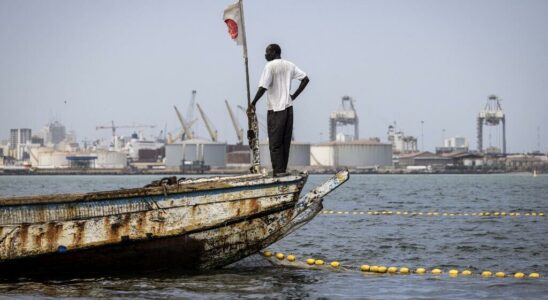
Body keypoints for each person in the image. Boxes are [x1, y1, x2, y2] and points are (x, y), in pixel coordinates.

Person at [248, 44, 310, 177]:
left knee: (275, 143)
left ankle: (278, 172)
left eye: (267, 52)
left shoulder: (270, 66)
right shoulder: (290, 65)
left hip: (276, 109)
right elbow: (305, 79)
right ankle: (282, 171)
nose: (265, 55)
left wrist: (253, 103)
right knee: (285, 142)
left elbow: (263, 87)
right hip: (288, 108)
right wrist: (293, 96)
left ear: (274, 52)